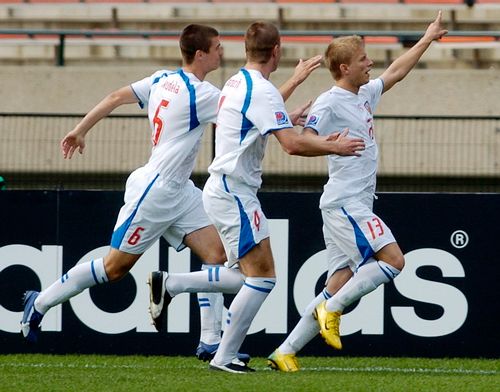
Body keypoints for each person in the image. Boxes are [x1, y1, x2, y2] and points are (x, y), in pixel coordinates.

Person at [20, 24, 245, 362]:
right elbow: (245, 113)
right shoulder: (201, 94)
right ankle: (38, 302)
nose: (221, 52)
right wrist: (288, 107)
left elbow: (114, 97)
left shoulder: (160, 79)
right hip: (154, 192)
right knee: (114, 268)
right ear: (200, 54)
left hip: (180, 191)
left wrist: (80, 130)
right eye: (217, 47)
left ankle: (211, 340)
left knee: (217, 255)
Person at [267, 12, 448, 372]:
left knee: (339, 281)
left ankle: (284, 351)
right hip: (346, 203)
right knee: (394, 261)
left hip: (351, 203)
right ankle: (330, 311)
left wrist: (426, 39)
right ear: (345, 67)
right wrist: (328, 144)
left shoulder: (363, 93)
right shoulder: (330, 101)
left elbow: (395, 72)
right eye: (364, 59)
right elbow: (302, 139)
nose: (371, 63)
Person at [198, 21, 366, 374]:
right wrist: (333, 145)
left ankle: (170, 284)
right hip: (235, 191)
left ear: (245, 49)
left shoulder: (236, 81)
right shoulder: (262, 91)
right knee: (262, 278)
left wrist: (286, 110)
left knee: (242, 275)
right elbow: (291, 144)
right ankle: (223, 356)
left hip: (225, 188)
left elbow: (256, 117)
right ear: (277, 51)